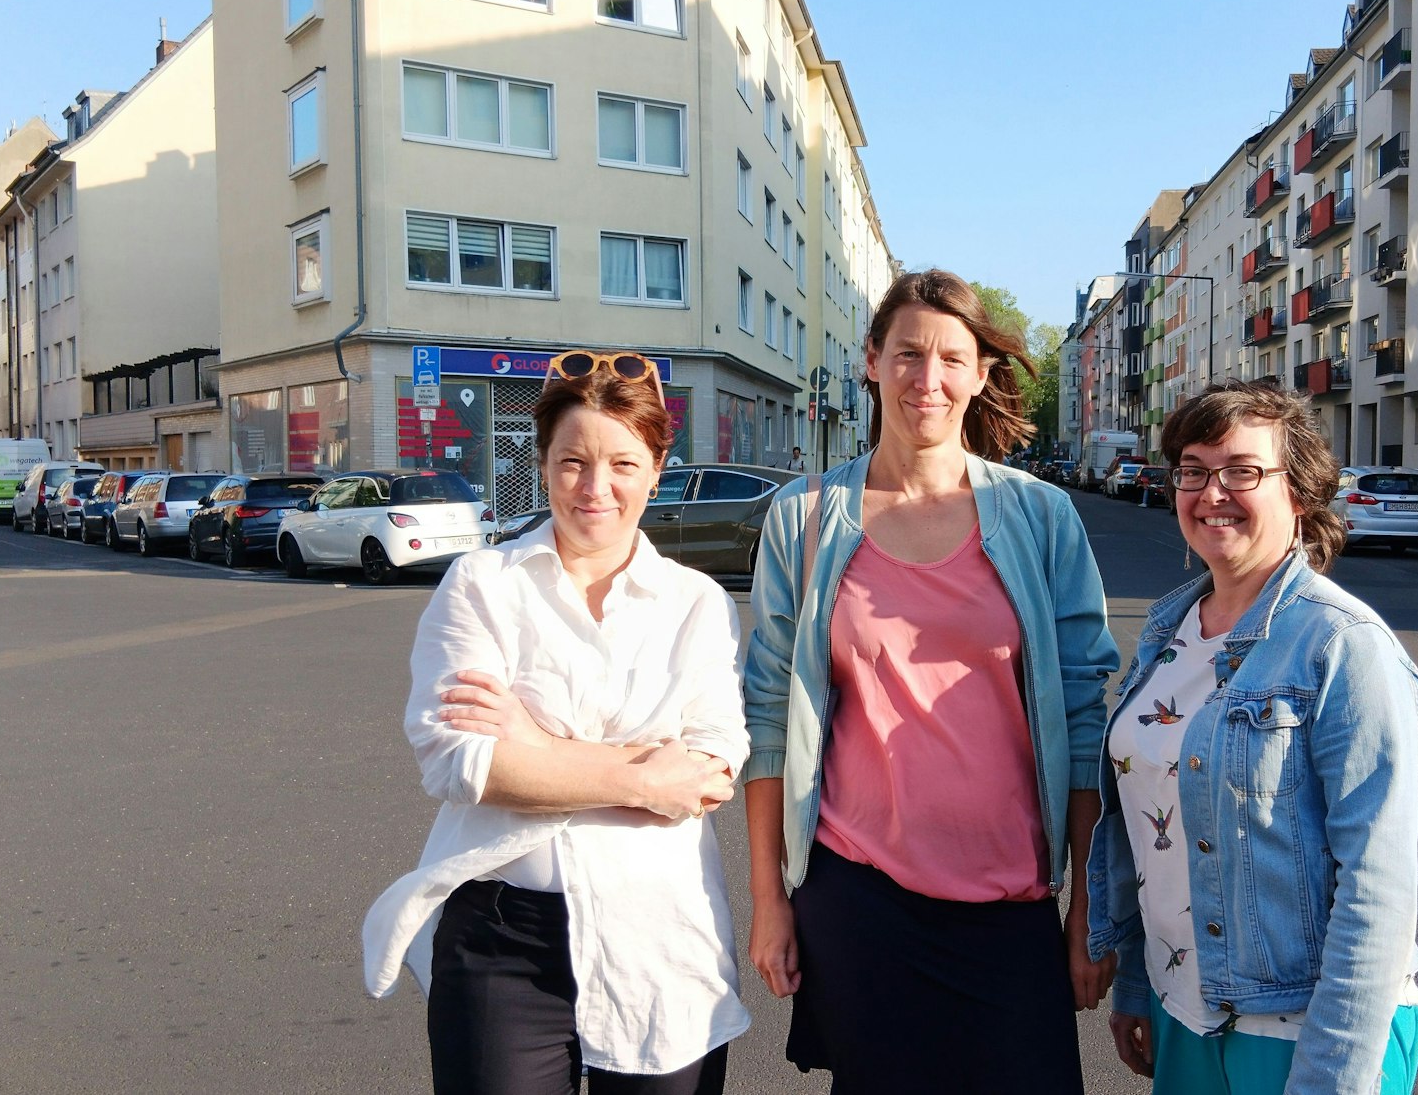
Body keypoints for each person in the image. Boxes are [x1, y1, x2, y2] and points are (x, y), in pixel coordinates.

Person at [742, 269, 1121, 1093]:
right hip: (859, 899)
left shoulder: (1039, 516)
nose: (929, 377)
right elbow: (768, 715)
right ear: (871, 360)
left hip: (1012, 902)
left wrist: (1091, 904)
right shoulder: (804, 518)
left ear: (981, 372)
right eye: (908, 352)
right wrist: (769, 898)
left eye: (954, 357)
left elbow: (1087, 718)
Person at [363, 350, 752, 1095]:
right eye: (572, 460)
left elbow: (706, 774)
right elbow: (460, 762)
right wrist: (640, 773)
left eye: (623, 463)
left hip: (662, 939)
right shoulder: (482, 583)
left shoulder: (697, 603)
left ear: (657, 469)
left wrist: (536, 744)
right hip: (502, 945)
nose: (595, 487)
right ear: (542, 462)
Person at [1087, 380, 1418, 1094]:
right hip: (1188, 1014)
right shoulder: (1168, 630)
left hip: (1305, 1031)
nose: (1213, 492)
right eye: (1193, 470)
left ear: (1299, 492)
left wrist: (1331, 1078)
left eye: (1243, 470)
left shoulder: (1342, 645)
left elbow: (1377, 889)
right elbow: (1158, 828)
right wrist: (1141, 988)